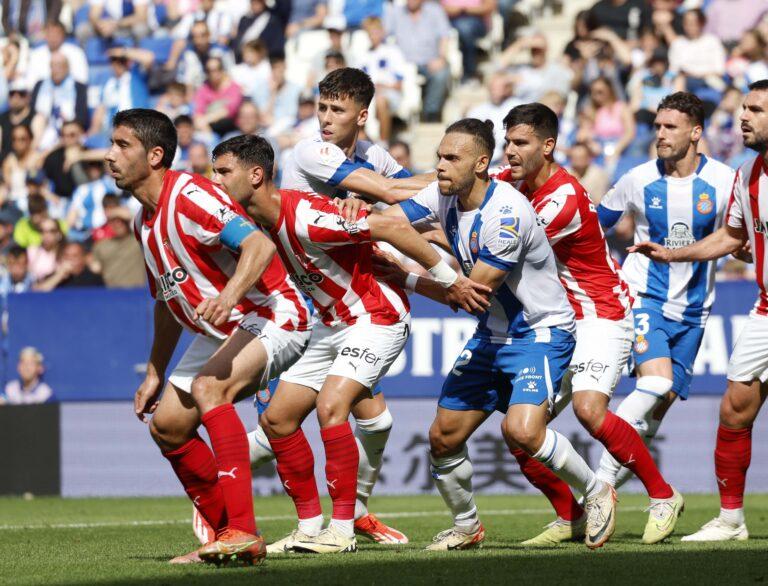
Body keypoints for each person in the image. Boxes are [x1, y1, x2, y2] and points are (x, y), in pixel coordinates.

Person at [210, 133, 488, 554]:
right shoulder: (256, 223)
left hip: (376, 317)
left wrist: (451, 281)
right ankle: (308, 526)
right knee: (278, 419)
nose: (214, 181)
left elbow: (392, 225)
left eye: (223, 171)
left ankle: (341, 532)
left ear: (254, 175)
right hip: (331, 323)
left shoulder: (304, 216)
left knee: (332, 406)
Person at [373, 118, 613, 551]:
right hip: (491, 336)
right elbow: (387, 220)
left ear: (481, 163)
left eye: (452, 158)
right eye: (439, 157)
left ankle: (596, 492)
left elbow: (471, 294)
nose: (441, 166)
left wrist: (405, 277)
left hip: (538, 333)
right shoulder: (442, 196)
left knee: (522, 431)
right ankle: (467, 527)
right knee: (442, 437)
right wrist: (357, 218)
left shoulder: (507, 215)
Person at [106, 108, 311, 565]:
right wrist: (154, 373)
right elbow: (165, 301)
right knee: (168, 426)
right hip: (228, 327)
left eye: (122, 145)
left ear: (155, 154)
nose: (109, 155)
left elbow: (258, 246)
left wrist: (229, 294)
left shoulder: (192, 194)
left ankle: (242, 530)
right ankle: (224, 537)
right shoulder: (144, 223)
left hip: (275, 311)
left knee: (208, 387)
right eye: (111, 144)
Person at [492, 103, 683, 546]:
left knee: (589, 409)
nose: (510, 151)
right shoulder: (511, 181)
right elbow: (460, 187)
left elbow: (502, 247)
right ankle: (572, 515)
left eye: (520, 143)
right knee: (517, 431)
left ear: (548, 145)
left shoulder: (563, 199)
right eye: (507, 143)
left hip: (601, 314)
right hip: (560, 322)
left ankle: (663, 495)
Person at [630, 80, 768, 542]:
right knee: (734, 410)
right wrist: (674, 254)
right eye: (744, 107)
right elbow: (732, 239)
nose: (744, 117)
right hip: (765, 309)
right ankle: (731, 520)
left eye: (756, 110)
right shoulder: (748, 175)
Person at [595, 92, 736, 496]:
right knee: (655, 383)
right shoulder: (637, 178)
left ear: (695, 132)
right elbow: (590, 229)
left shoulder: (724, 181)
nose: (659, 133)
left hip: (694, 310)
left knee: (655, 412)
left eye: (670, 127)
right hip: (645, 296)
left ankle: (603, 497)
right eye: (657, 126)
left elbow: (737, 236)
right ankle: (599, 484)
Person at [384, 0, 453, 123]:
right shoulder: (395, 12)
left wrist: (441, 58)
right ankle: (400, 117)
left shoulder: (435, 10)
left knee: (441, 73)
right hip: (403, 63)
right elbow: (384, 36)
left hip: (429, 60)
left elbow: (445, 35)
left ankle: (430, 113)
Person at [91, 205, 146, 288]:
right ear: (108, 223)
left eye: (121, 220)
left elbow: (136, 217)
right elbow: (94, 267)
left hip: (137, 293)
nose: (118, 224)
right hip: (112, 294)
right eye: (114, 221)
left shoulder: (138, 239)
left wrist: (114, 212)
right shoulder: (100, 245)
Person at [35, 241, 104, 290]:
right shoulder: (53, 277)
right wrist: (59, 276)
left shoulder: (93, 279)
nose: (70, 259)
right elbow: (36, 295)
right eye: (66, 256)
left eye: (75, 256)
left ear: (84, 258)